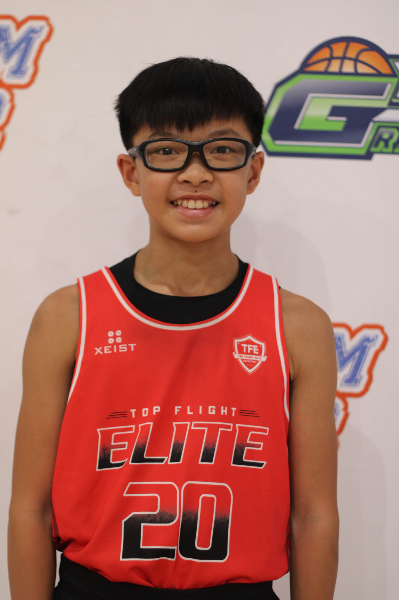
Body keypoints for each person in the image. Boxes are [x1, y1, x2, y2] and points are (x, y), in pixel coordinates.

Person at [8, 57, 339, 600]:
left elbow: (313, 514)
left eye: (222, 150)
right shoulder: (69, 315)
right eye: (166, 151)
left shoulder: (297, 326)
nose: (195, 173)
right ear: (131, 171)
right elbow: (31, 507)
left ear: (253, 171)